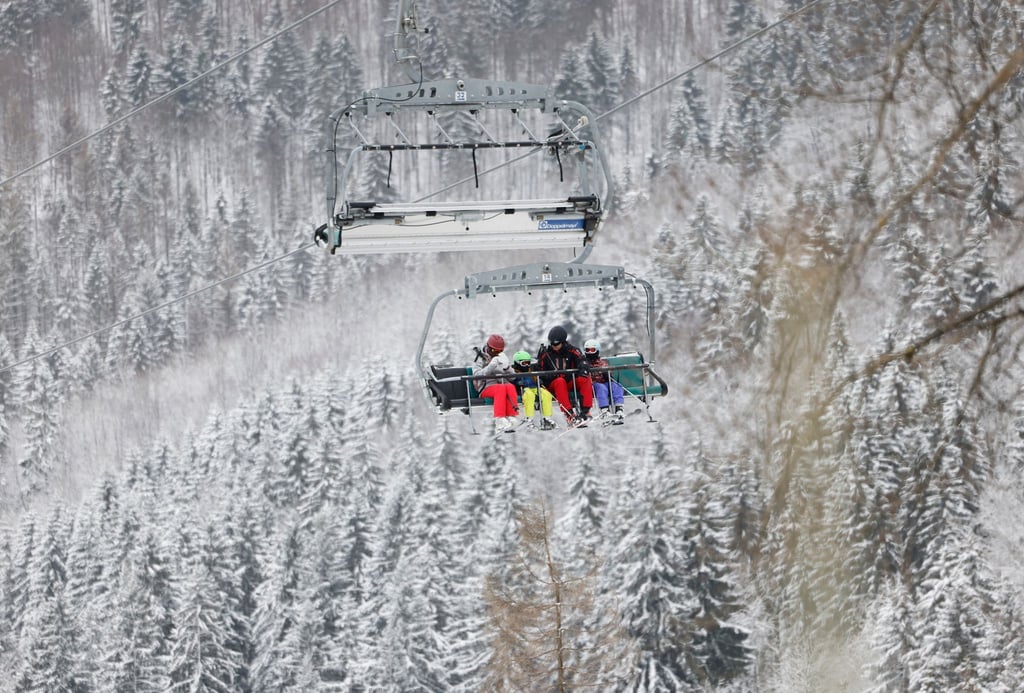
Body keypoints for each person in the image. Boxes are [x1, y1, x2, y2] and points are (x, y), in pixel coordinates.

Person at [535, 325, 593, 424]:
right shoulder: (546, 354)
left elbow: (582, 360)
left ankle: (585, 411)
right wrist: (549, 376)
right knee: (560, 381)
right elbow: (539, 369)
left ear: (563, 341)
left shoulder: (572, 351)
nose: (554, 346)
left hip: (569, 381)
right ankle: (569, 414)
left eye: (556, 343)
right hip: (553, 384)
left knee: (584, 378)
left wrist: (583, 369)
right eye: (551, 343)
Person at [473, 334, 519, 433]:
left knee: (510, 386)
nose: (497, 353)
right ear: (488, 348)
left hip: (501, 386)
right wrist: (491, 366)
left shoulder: (501, 358)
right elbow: (477, 375)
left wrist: (507, 368)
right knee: (500, 388)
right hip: (485, 388)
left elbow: (513, 378)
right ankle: (499, 419)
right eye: (494, 351)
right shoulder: (480, 359)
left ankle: (511, 416)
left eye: (500, 351)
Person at [511, 350, 557, 430]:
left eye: (528, 363)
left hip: (534, 387)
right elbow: (510, 380)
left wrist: (539, 380)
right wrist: (517, 382)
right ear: (517, 363)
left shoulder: (531, 369)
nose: (527, 365)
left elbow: (537, 373)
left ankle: (547, 418)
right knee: (530, 395)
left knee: (546, 394)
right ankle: (529, 418)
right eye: (524, 363)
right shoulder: (514, 371)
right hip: (524, 389)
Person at [584, 338, 625, 424]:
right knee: (601, 387)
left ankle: (619, 409)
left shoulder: (602, 362)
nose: (590, 352)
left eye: (592, 350)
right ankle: (605, 410)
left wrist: (608, 375)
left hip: (604, 383)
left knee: (616, 386)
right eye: (587, 350)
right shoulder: (584, 363)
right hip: (593, 385)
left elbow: (609, 373)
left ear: (597, 350)